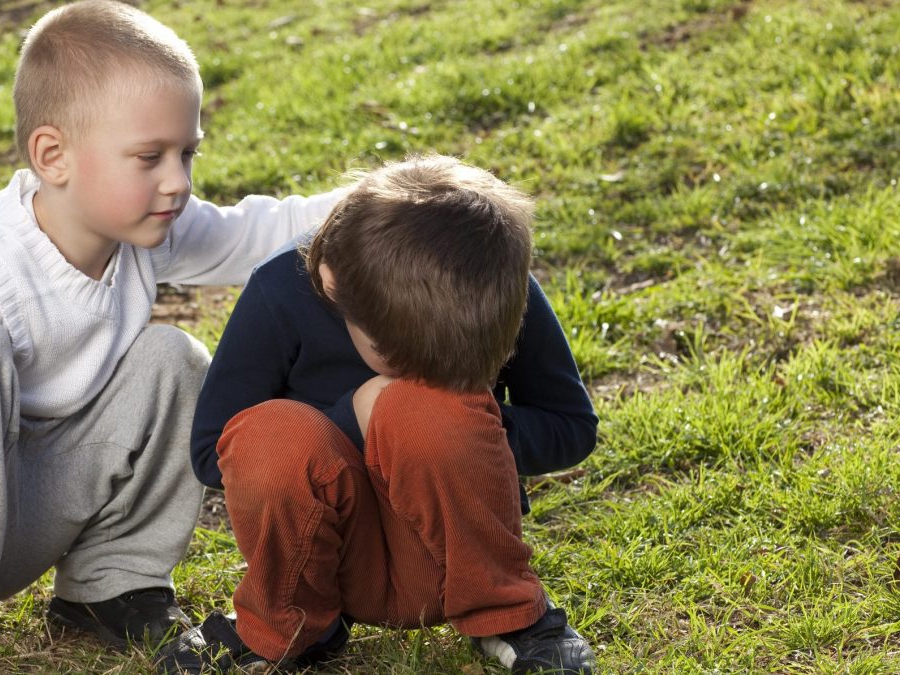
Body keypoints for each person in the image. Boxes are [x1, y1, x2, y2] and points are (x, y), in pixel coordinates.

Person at [0, 1, 343, 671]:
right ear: (52, 156)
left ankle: (111, 583)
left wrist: (388, 198)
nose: (177, 180)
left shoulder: (144, 228)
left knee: (175, 357)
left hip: (22, 514)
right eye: (150, 157)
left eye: (187, 153)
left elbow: (255, 234)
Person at [166, 155, 599, 674]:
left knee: (417, 409)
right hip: (325, 556)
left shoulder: (494, 284)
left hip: (450, 555)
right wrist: (353, 418)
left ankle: (507, 614)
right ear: (331, 285)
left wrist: (470, 420)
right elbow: (211, 447)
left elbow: (571, 426)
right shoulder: (280, 290)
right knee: (270, 431)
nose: (417, 372)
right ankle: (287, 624)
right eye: (400, 358)